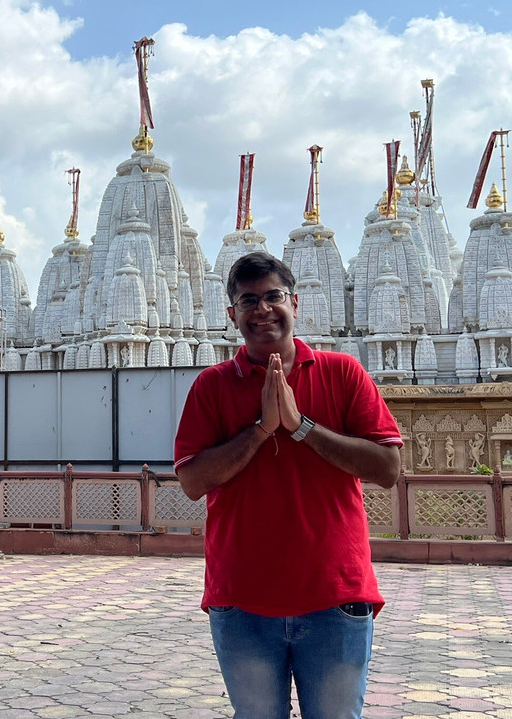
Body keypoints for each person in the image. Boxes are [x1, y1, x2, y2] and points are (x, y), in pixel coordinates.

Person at [174, 253, 402, 719]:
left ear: (295, 303)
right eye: (247, 300)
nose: (262, 310)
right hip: (242, 599)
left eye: (273, 297)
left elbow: (387, 468)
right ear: (231, 314)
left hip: (335, 594)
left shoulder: (344, 373)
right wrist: (260, 429)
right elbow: (192, 481)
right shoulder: (212, 386)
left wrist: (300, 426)